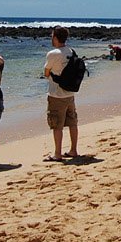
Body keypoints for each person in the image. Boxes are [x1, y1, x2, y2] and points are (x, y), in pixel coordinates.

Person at [44, 26, 78, 162]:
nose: (51, 38)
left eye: (52, 36)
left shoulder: (53, 54)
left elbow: (46, 73)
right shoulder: (71, 51)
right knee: (72, 122)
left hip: (56, 94)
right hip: (70, 93)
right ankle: (73, 150)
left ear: (56, 38)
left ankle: (57, 153)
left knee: (57, 125)